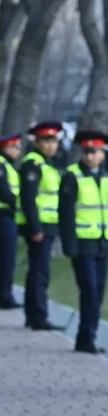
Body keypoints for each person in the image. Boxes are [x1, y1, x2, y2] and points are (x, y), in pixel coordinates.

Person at [59, 130, 108, 354]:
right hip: (83, 245)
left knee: (98, 293)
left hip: (102, 243)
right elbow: (66, 214)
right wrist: (70, 247)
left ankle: (88, 336)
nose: (91, 156)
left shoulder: (106, 177)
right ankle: (86, 337)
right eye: (87, 151)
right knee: (90, 291)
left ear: (103, 154)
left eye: (95, 151)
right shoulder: (72, 176)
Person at [19, 121, 64, 330]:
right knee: (40, 271)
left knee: (39, 270)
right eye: (46, 141)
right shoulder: (33, 164)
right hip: (40, 226)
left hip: (48, 225)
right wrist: (35, 227)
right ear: (36, 142)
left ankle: (33, 314)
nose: (51, 146)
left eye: (54, 141)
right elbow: (29, 198)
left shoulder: (47, 165)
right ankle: (38, 315)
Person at [0, 132, 20, 309]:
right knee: (6, 258)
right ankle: (5, 296)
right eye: (15, 147)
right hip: (4, 216)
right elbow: (4, 192)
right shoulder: (1, 165)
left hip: (7, 215)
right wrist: (20, 205)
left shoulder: (7, 166)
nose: (18, 151)